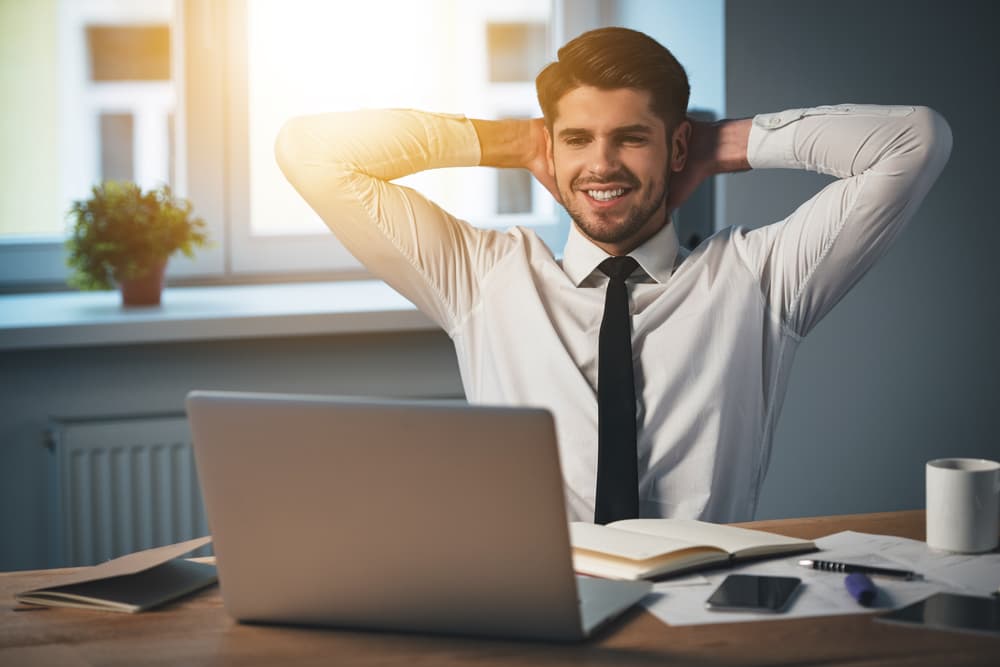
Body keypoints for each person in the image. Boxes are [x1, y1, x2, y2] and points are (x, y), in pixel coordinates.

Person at [275, 27, 951, 524]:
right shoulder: (480, 276)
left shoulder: (758, 279)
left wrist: (723, 146)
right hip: (535, 615)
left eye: (630, 137)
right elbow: (308, 152)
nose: (601, 165)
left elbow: (915, 141)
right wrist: (510, 141)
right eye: (576, 139)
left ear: (674, 144)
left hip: (703, 614)